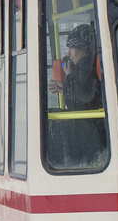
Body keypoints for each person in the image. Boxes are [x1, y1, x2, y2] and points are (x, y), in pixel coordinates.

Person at [46, 23, 108, 168]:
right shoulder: (80, 68)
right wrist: (66, 89)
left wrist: (69, 77)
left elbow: (87, 95)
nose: (68, 54)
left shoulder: (89, 69)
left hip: (94, 129)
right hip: (89, 127)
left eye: (71, 49)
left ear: (83, 50)